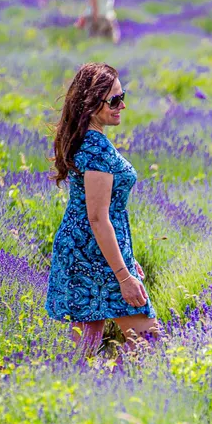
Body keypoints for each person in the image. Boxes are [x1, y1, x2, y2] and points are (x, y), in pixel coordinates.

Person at [46, 63, 158, 355]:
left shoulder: (91, 141)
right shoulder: (95, 150)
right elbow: (97, 218)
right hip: (90, 256)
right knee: (149, 344)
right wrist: (123, 275)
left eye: (123, 96)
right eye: (115, 100)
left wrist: (125, 257)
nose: (122, 105)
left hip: (93, 251)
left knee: (83, 350)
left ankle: (75, 395)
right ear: (91, 103)